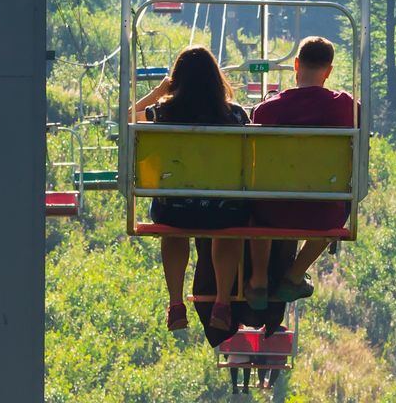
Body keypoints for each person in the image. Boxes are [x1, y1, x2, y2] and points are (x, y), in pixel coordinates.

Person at [133, 45, 250, 333]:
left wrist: (158, 93)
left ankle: (175, 303)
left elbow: (127, 117)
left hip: (174, 209)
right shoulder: (234, 115)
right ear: (216, 79)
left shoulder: (161, 113)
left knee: (173, 230)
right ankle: (222, 300)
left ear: (177, 80)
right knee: (230, 224)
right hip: (222, 210)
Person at [245, 36, 358, 307]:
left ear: (296, 64)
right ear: (328, 71)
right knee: (342, 207)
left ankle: (258, 280)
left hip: (272, 210)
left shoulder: (266, 110)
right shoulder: (346, 107)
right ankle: (294, 276)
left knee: (255, 201)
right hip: (322, 212)